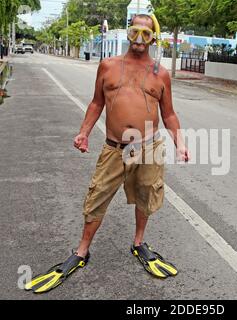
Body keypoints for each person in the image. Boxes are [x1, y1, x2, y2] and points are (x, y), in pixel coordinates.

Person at [25, 14, 190, 294]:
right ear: (128, 33)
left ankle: (138, 243)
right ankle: (81, 251)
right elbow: (96, 103)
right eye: (135, 32)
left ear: (153, 38)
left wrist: (180, 143)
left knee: (146, 195)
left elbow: (169, 113)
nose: (139, 39)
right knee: (97, 195)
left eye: (146, 34)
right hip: (115, 148)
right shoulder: (108, 66)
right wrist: (84, 132)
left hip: (149, 147)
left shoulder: (160, 73)